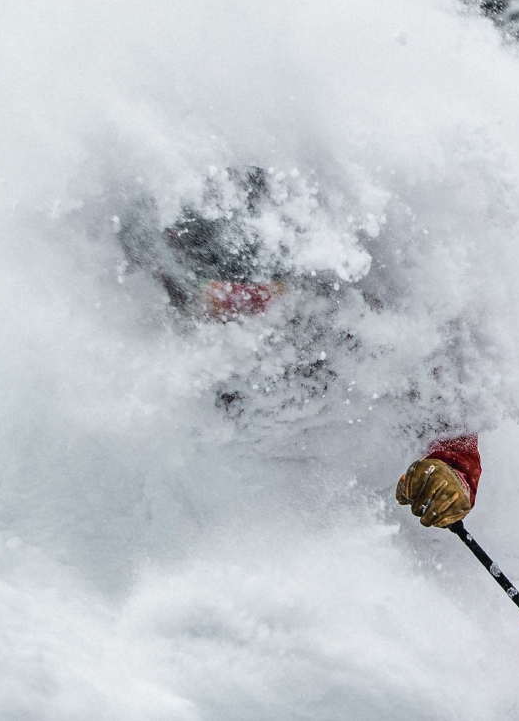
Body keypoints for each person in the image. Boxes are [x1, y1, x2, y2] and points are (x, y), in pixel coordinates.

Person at [119, 165, 481, 530]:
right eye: (220, 287)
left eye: (263, 287)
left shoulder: (346, 307)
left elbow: (441, 369)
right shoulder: (142, 293)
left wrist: (452, 465)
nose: (243, 303)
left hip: (323, 508)